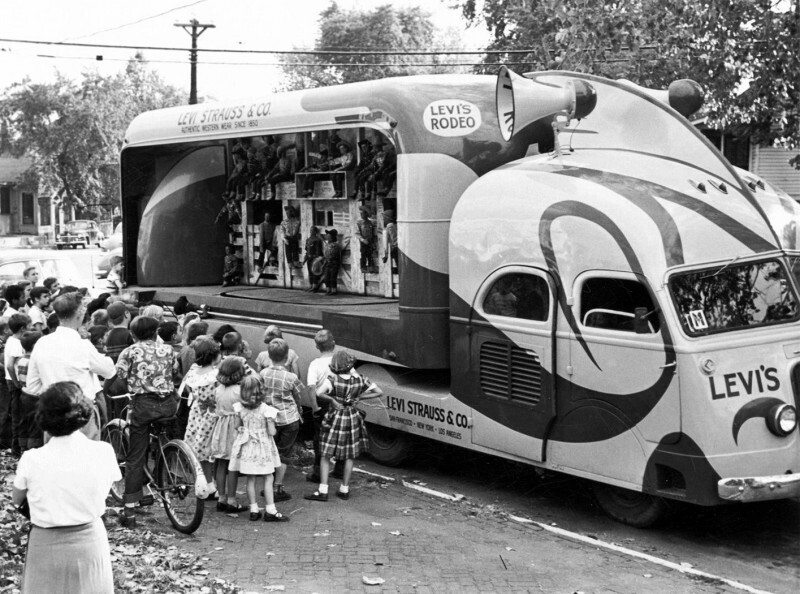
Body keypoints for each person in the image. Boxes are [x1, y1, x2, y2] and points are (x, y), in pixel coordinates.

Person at [12, 381, 120, 593]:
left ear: (43, 417)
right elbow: (106, 486)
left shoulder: (32, 459)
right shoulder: (103, 452)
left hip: (45, 543)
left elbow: (17, 500)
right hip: (90, 540)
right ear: (83, 414)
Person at [115, 316, 181, 528]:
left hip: (143, 406)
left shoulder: (129, 352)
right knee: (163, 433)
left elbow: (120, 378)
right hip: (169, 404)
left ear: (133, 334)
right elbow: (175, 374)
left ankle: (130, 510)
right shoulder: (169, 351)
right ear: (155, 333)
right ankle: (166, 466)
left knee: (135, 456)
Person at [26, 292, 116, 442]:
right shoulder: (83, 346)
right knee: (85, 461)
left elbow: (33, 386)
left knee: (55, 461)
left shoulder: (42, 344)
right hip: (81, 415)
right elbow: (109, 370)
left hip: (52, 415)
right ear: (80, 313)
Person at [305, 350, 383, 502]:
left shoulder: (333, 379)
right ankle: (344, 489)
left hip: (335, 417)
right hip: (352, 417)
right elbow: (379, 392)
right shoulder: (360, 379)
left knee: (326, 453)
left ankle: (323, 490)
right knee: (349, 454)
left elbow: (319, 393)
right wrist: (360, 396)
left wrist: (333, 400)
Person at [229, 374, 288, 522]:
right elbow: (272, 432)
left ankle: (254, 509)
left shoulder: (239, 408)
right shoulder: (266, 410)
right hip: (263, 448)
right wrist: (269, 422)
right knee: (268, 477)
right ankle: (270, 509)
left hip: (247, 448)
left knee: (250, 479)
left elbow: (237, 426)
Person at [259, 338, 304, 503]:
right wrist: (299, 411)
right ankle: (277, 487)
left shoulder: (262, 374)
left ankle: (268, 486)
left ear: (269, 357)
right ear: (287, 358)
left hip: (270, 419)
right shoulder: (291, 377)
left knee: (271, 451)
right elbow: (298, 396)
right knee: (284, 454)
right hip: (289, 419)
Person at [181, 336, 222, 500]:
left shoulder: (193, 370)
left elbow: (187, 388)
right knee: (214, 454)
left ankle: (207, 485)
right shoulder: (216, 374)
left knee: (201, 453)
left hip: (197, 413)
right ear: (214, 355)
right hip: (213, 416)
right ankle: (218, 489)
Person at [305, 329, 344, 483]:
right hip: (339, 401)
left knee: (320, 438)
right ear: (334, 344)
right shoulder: (340, 361)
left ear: (316, 346)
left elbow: (311, 388)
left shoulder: (315, 364)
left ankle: (318, 473)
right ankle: (340, 469)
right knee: (340, 435)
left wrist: (314, 407)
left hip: (323, 403)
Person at [210, 356, 248, 514]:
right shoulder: (239, 391)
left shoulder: (217, 390)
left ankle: (221, 498)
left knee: (220, 464)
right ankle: (232, 500)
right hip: (234, 429)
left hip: (220, 428)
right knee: (233, 466)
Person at [5, 314, 32, 456]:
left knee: (19, 414)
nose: (32, 328)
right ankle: (16, 447)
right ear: (23, 328)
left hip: (13, 380)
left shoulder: (11, 340)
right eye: (29, 325)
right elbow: (10, 365)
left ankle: (17, 446)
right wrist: (16, 382)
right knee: (18, 415)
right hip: (15, 382)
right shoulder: (16, 343)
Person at [15, 330, 43, 452]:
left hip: (24, 393)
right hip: (35, 396)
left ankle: (22, 447)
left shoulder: (20, 360)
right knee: (35, 425)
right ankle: (33, 449)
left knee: (24, 422)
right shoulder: (33, 361)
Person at [320, 229, 342, 295]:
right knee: (327, 277)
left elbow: (333, 254)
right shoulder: (327, 245)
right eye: (327, 236)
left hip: (334, 263)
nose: (328, 238)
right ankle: (328, 290)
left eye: (329, 237)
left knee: (332, 277)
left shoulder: (335, 245)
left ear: (332, 237)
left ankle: (333, 291)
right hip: (328, 263)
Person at [303, 226, 324, 290]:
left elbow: (318, 250)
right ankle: (311, 285)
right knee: (310, 272)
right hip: (309, 258)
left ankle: (315, 286)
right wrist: (305, 259)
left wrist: (317, 259)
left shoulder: (317, 240)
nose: (311, 231)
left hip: (315, 258)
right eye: (310, 230)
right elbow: (307, 250)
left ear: (315, 232)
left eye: (312, 230)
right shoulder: (308, 240)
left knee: (314, 272)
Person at [356, 208, 377, 272]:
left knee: (370, 255)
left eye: (362, 213)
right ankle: (363, 268)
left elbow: (372, 233)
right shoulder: (359, 223)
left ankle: (371, 268)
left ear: (366, 214)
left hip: (370, 241)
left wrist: (373, 242)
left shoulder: (370, 222)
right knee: (363, 255)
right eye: (360, 213)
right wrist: (362, 240)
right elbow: (357, 233)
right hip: (363, 242)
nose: (361, 215)